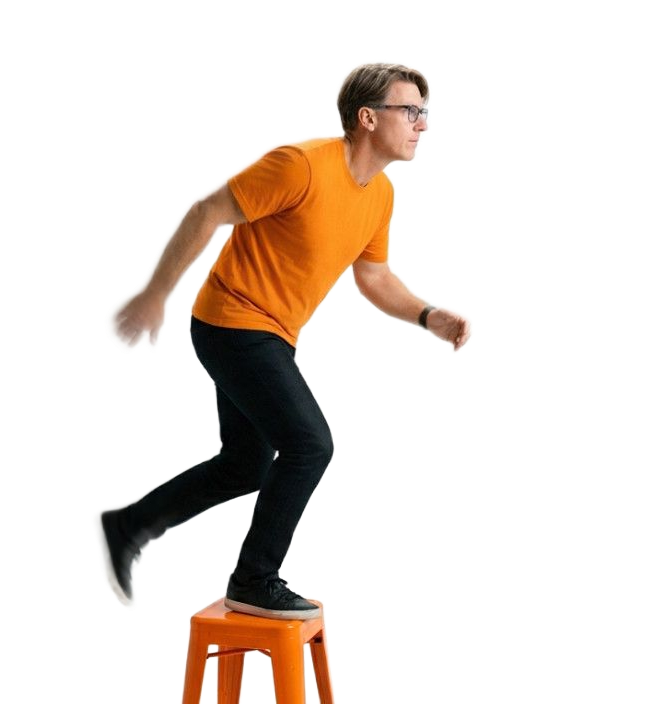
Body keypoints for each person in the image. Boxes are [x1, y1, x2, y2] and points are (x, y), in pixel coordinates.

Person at [92, 60, 475, 621]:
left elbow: (372, 277)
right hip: (232, 322)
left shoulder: (381, 194)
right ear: (367, 118)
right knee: (311, 445)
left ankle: (128, 526)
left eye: (427, 112)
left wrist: (428, 315)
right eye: (411, 111)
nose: (425, 125)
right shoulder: (299, 164)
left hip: (272, 335)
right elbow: (208, 209)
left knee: (248, 462)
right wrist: (155, 292)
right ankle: (254, 580)